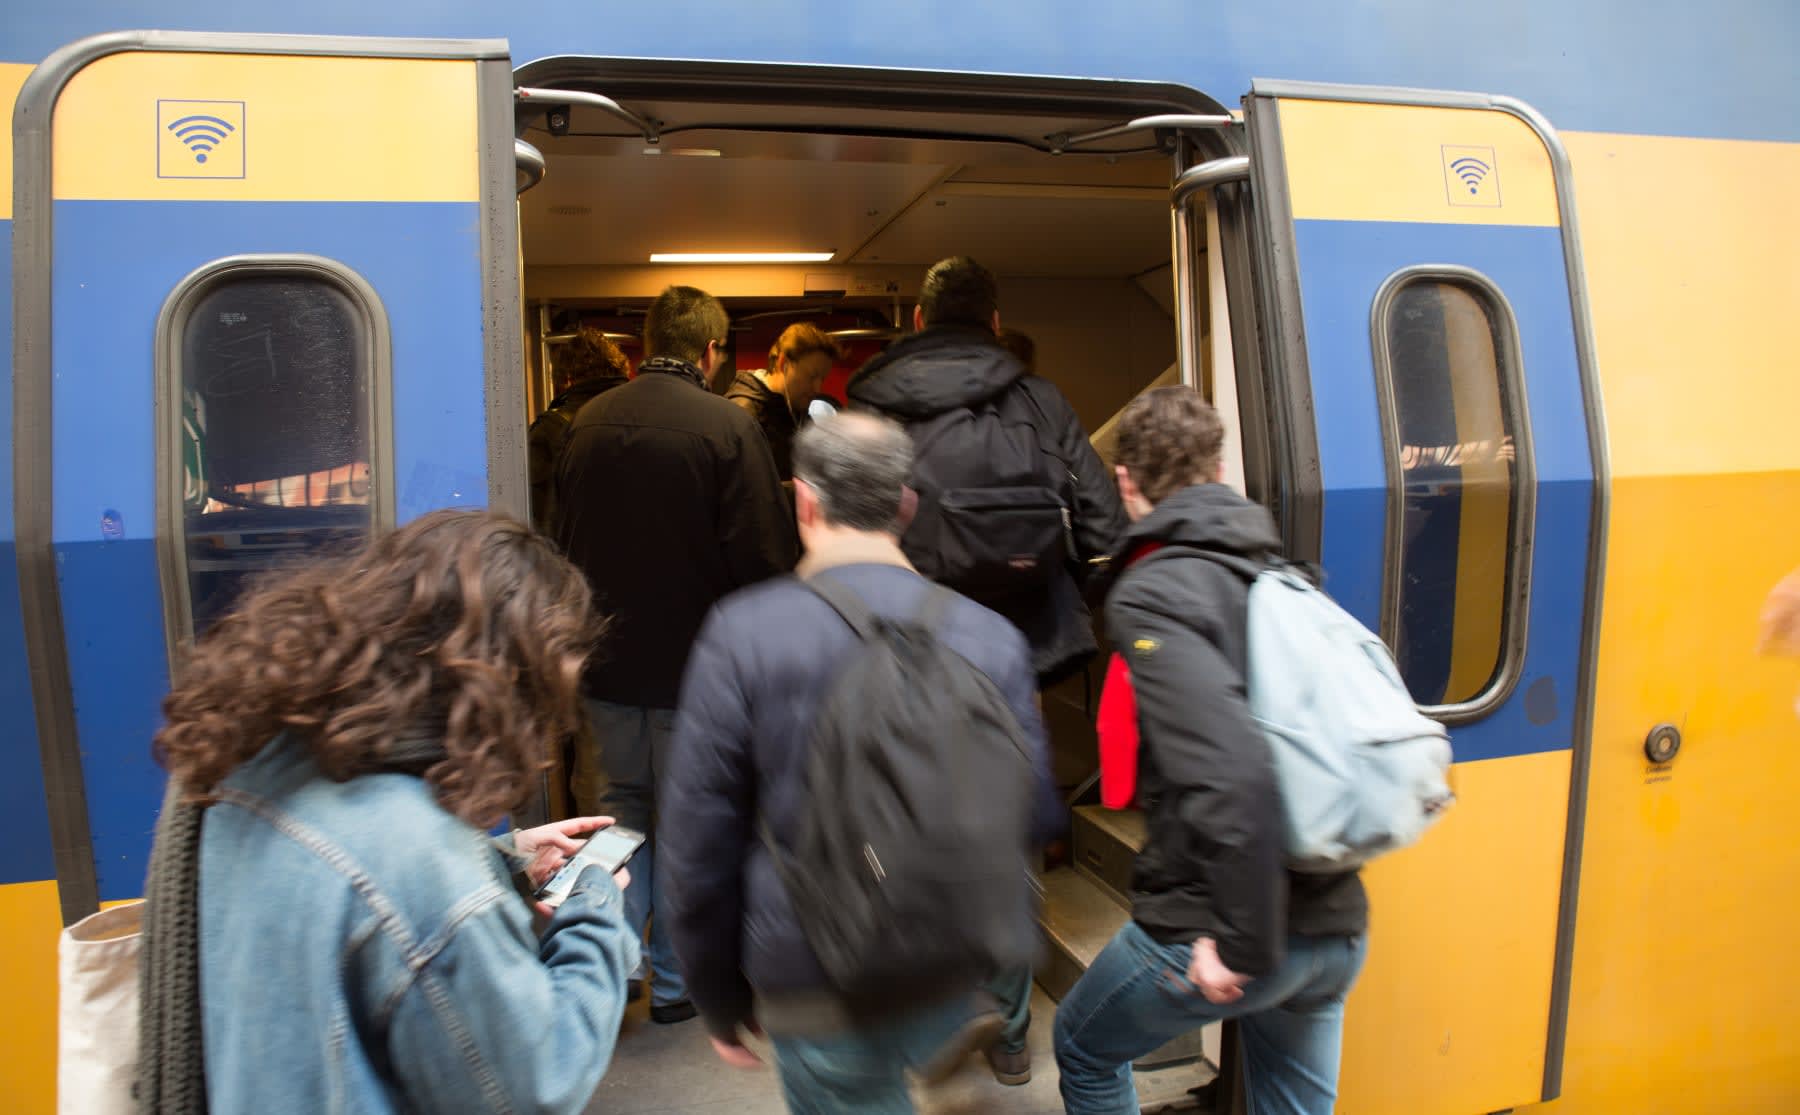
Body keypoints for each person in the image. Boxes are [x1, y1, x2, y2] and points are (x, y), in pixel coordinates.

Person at [138, 510, 640, 1114]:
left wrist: (501, 862)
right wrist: (594, 906)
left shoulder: (253, 752)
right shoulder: (420, 860)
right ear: (509, 688)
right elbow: (539, 1081)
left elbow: (343, 901)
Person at [660, 413, 1059, 1109]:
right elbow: (1037, 812)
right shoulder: (992, 637)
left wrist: (717, 994)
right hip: (951, 963)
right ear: (906, 504)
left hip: (811, 972)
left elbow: (698, 843)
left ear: (803, 500)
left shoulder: (742, 631)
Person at [1052, 388, 1369, 1115]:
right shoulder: (1279, 572)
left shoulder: (1155, 592)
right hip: (1332, 917)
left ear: (1126, 482)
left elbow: (1231, 770)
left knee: (1083, 1045)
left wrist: (1241, 942)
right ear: (1219, 469)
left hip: (1227, 919)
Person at [556, 285, 797, 1023]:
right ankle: (675, 983)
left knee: (617, 814)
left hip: (606, 665)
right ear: (711, 350)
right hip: (697, 672)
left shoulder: (586, 425)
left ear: (647, 340)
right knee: (691, 823)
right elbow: (762, 557)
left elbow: (560, 543)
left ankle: (611, 965)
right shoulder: (726, 428)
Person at [847, 256, 1125, 688]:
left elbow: (846, 537)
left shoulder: (873, 406)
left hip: (909, 647)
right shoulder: (1042, 401)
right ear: (994, 323)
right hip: (1025, 650)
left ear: (919, 319)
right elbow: (1106, 530)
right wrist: (1050, 594)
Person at [528, 324, 632, 539]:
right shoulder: (644, 415)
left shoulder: (550, 429)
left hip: (575, 556)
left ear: (567, 378)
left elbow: (537, 515)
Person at [726, 322, 846, 481]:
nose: (817, 388)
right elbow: (746, 491)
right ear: (784, 363)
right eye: (811, 376)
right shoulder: (744, 413)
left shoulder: (795, 410)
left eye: (822, 379)